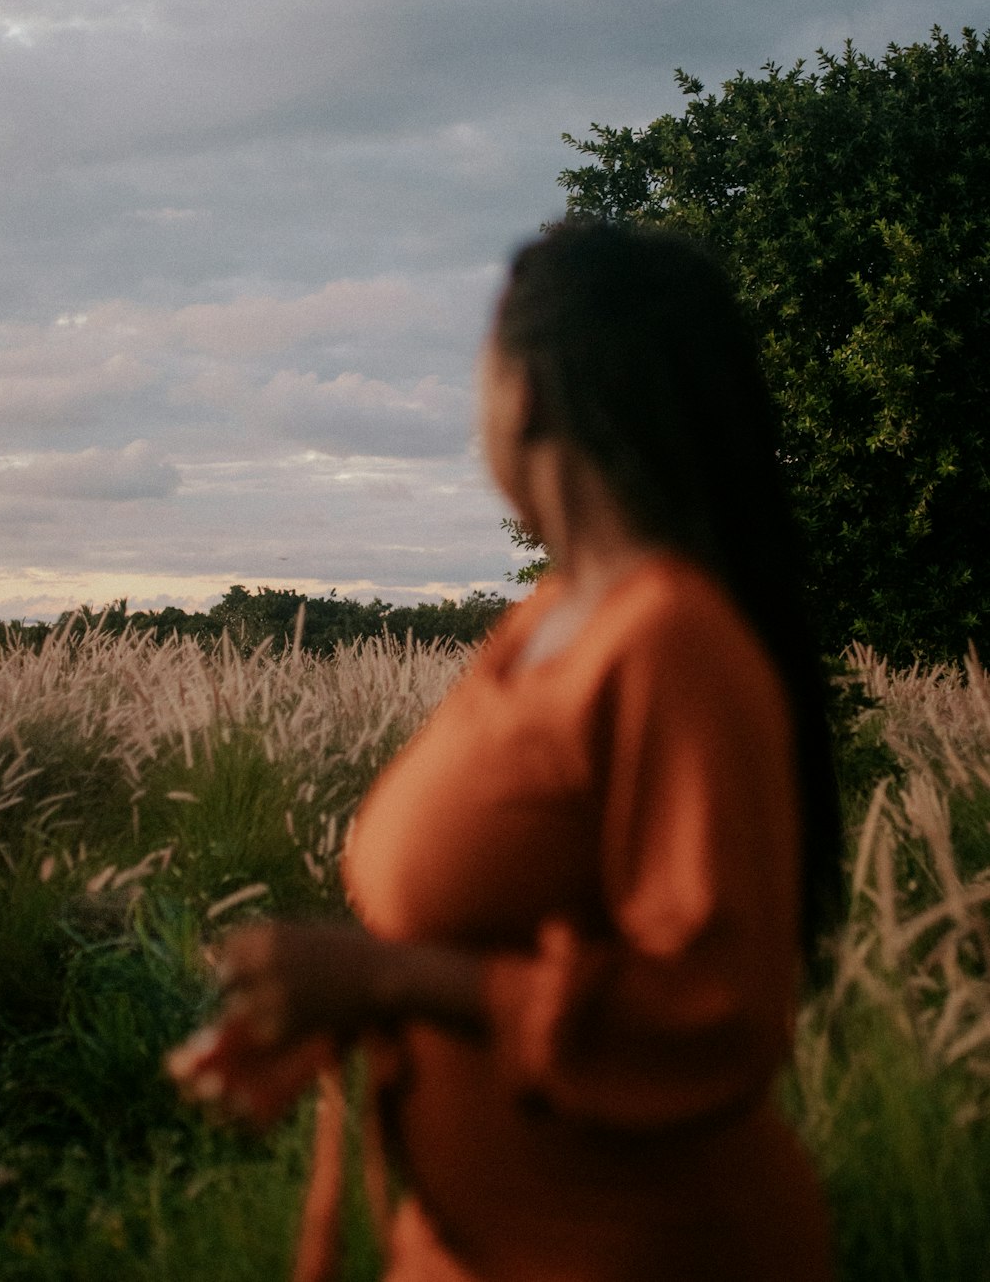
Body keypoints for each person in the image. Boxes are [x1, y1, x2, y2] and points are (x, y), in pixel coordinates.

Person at [170, 223, 841, 1282]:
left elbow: (716, 1015)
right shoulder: (547, 623)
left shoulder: (668, 640)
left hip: (631, 1249)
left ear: (522, 394)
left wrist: (392, 978)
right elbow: (502, 931)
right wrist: (354, 1005)